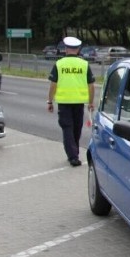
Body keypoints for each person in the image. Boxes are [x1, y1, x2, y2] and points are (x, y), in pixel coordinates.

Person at [47, 36, 95, 166]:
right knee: (76, 129)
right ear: (78, 49)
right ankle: (74, 154)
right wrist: (91, 102)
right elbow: (91, 85)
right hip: (79, 103)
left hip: (64, 102)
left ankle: (73, 156)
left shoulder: (59, 64)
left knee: (67, 128)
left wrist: (50, 101)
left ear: (66, 49)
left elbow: (53, 84)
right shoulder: (84, 65)